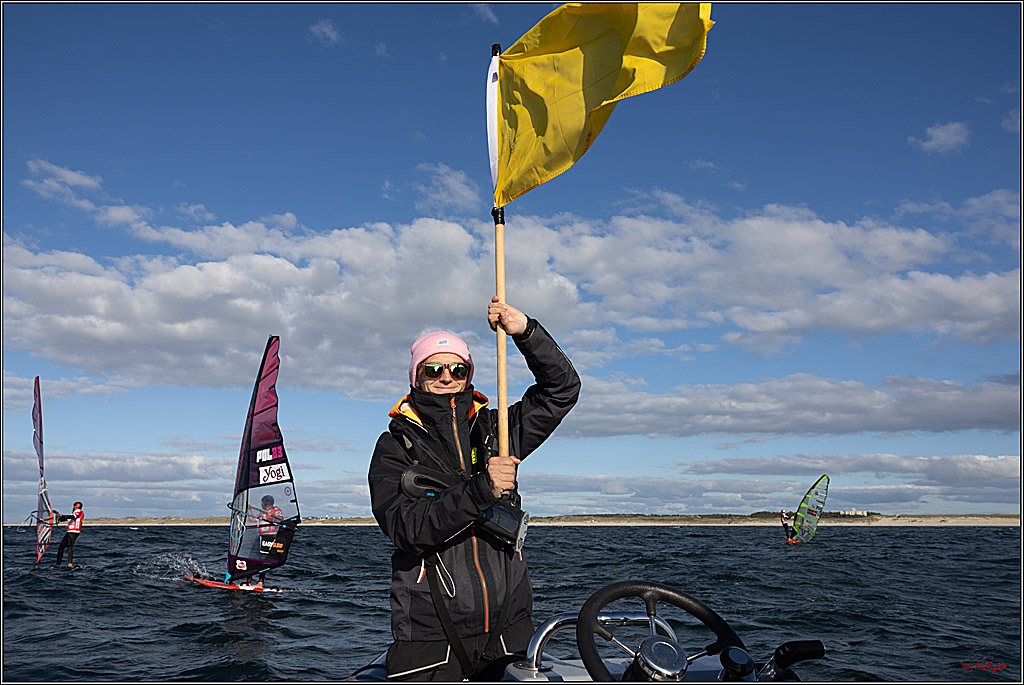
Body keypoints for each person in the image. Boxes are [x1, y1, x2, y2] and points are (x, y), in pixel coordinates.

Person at [368, 296, 581, 681]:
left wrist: (527, 332)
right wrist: (482, 489)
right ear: (416, 377)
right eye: (433, 369)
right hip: (430, 634)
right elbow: (407, 528)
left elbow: (562, 390)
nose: (446, 376)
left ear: (469, 374)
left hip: (509, 625)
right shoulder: (395, 446)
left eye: (457, 368)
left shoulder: (497, 432)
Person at [54, 501, 84, 567]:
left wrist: (62, 515)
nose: (72, 507)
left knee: (69, 547)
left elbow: (73, 516)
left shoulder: (79, 512)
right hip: (69, 532)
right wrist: (58, 515)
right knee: (61, 547)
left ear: (76, 506)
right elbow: (65, 519)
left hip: (74, 532)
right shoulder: (72, 514)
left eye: (73, 506)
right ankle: (58, 564)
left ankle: (70, 564)